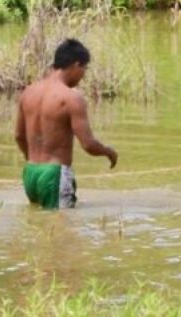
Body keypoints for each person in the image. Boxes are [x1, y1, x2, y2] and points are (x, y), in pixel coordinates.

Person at [14, 38, 118, 211]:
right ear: (76, 65)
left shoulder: (28, 92)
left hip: (30, 172)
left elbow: (18, 136)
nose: (83, 75)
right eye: (85, 69)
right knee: (62, 232)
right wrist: (109, 152)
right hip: (54, 174)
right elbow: (88, 144)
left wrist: (32, 160)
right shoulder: (71, 98)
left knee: (39, 228)